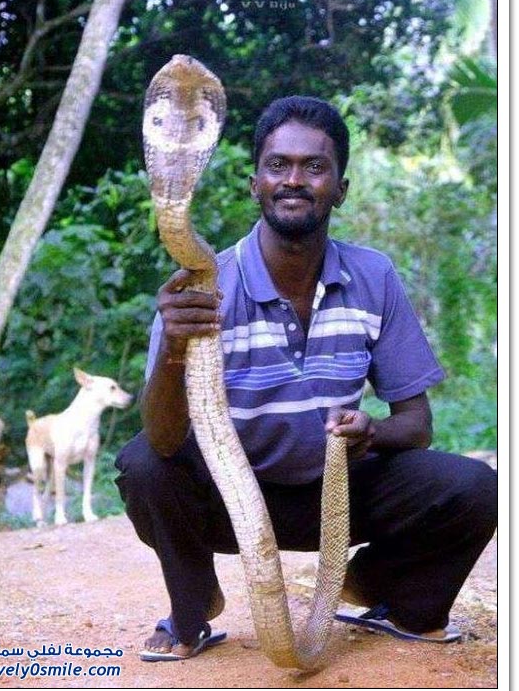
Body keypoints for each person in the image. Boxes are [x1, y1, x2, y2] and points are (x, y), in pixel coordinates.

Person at [115, 95, 497, 662]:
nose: (294, 180)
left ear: (340, 188)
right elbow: (167, 440)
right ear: (255, 183)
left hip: (337, 492)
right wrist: (173, 348)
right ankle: (191, 606)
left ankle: (382, 590)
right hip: (232, 501)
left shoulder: (373, 275)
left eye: (314, 167)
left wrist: (370, 430)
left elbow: (417, 425)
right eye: (278, 165)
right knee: (144, 462)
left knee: (476, 487)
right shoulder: (203, 287)